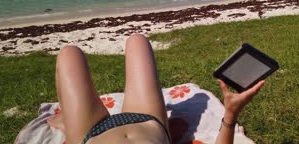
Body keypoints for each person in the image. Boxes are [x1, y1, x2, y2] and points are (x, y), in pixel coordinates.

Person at [47, 34, 265, 144]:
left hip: (91, 134)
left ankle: (67, 119)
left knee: (68, 54)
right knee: (138, 41)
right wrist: (231, 114)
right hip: (148, 123)